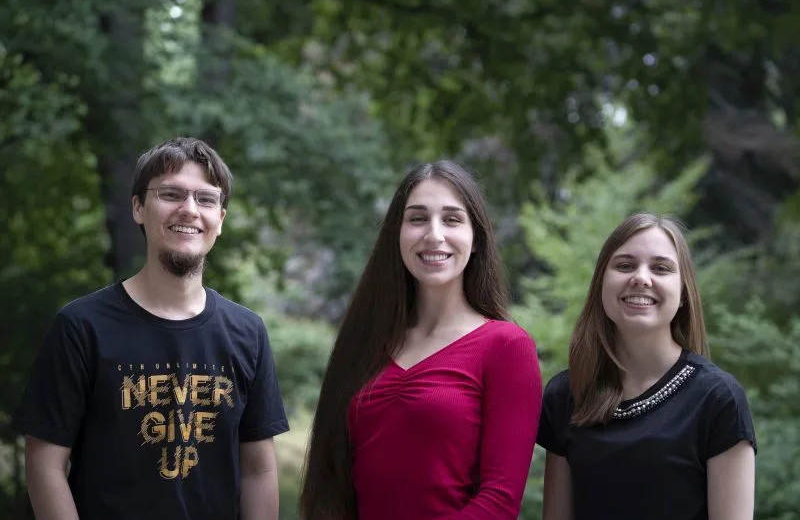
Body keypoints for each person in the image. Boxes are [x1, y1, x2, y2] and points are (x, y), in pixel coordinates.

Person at [13, 137, 289, 520]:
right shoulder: (81, 327)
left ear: (221, 220)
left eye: (205, 199)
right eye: (171, 194)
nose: (189, 209)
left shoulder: (248, 332)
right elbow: (45, 465)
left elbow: (258, 470)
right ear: (138, 208)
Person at [299, 160, 543, 520]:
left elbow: (499, 501)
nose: (434, 234)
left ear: (476, 239)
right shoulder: (367, 341)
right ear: (397, 234)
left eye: (452, 219)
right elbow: (331, 476)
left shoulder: (507, 346)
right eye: (417, 218)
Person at [537, 212, 756, 520]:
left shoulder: (719, 399)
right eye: (625, 265)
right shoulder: (566, 394)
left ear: (683, 293)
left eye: (661, 268)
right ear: (601, 284)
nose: (641, 277)